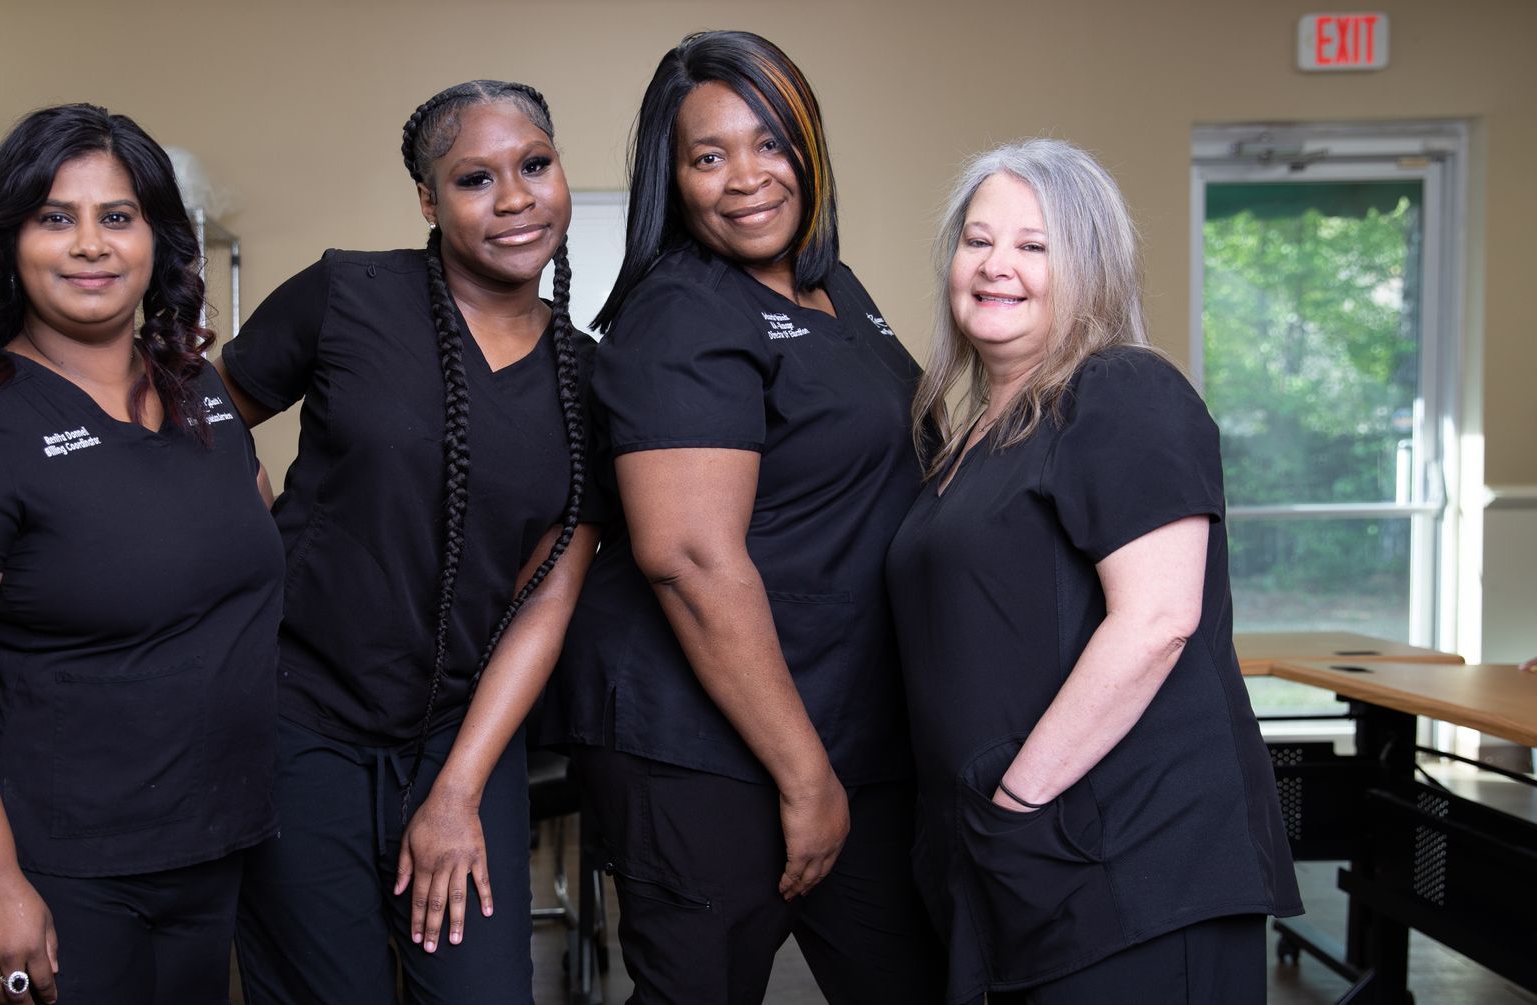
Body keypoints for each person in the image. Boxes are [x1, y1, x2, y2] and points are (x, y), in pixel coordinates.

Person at [543, 30, 946, 1003]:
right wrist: (804, 777)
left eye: (770, 143)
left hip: (843, 727)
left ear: (809, 149)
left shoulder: (831, 287)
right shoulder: (679, 314)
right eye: (708, 155)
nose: (746, 179)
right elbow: (688, 557)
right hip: (710, 752)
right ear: (671, 180)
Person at [0, 103, 284, 1005]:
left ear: (156, 240)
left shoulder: (196, 395)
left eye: (118, 216)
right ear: (11, 242)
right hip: (50, 867)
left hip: (201, 850)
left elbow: (241, 554)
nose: (90, 244)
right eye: (56, 217)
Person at [885, 138, 1303, 1004]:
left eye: (1035, 246)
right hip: (1025, 865)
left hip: (1131, 863)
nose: (998, 265)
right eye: (977, 239)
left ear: (1091, 268)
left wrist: (1016, 798)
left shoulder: (1122, 388)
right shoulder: (967, 436)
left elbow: (1157, 620)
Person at [217, 80, 597, 1004]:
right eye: (475, 178)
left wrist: (459, 788)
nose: (514, 198)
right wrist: (253, 546)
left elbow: (545, 596)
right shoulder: (347, 293)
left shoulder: (591, 376)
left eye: (535, 165)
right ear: (428, 201)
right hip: (296, 723)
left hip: (461, 734)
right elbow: (205, 412)